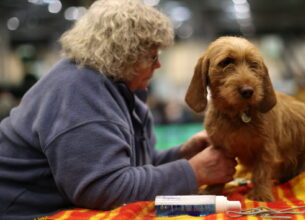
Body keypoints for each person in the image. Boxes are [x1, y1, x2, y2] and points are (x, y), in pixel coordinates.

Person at [0, 0, 237, 219]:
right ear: (123, 56)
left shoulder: (118, 91)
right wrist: (193, 171)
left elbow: (131, 167)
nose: (158, 64)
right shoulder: (80, 94)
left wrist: (183, 154)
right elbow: (105, 190)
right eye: (152, 56)